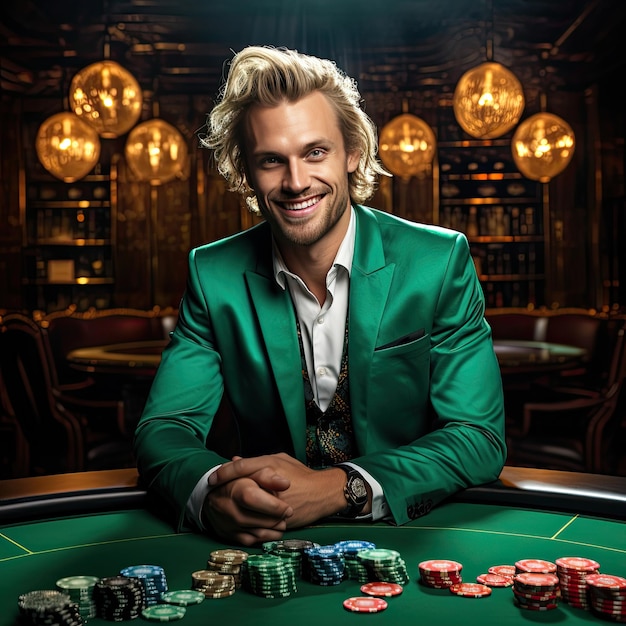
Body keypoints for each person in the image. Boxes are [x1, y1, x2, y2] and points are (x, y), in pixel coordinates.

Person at [133, 45, 506, 547]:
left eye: (315, 152)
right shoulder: (213, 273)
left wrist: (339, 488)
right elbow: (163, 429)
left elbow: (477, 436)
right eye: (271, 161)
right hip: (268, 548)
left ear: (352, 151)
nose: (296, 182)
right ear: (245, 171)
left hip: (410, 537)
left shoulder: (437, 262)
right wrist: (210, 493)